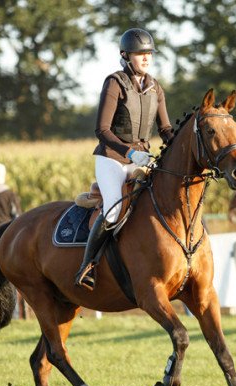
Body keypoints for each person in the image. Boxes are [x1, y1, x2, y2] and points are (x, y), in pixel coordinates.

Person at [75, 27, 174, 290]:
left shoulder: (155, 87)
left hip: (141, 159)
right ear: (125, 55)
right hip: (112, 159)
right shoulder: (114, 83)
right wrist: (130, 154)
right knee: (114, 209)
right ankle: (88, 265)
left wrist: (180, 146)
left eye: (148, 53)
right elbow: (102, 130)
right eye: (139, 53)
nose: (146, 58)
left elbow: (165, 130)